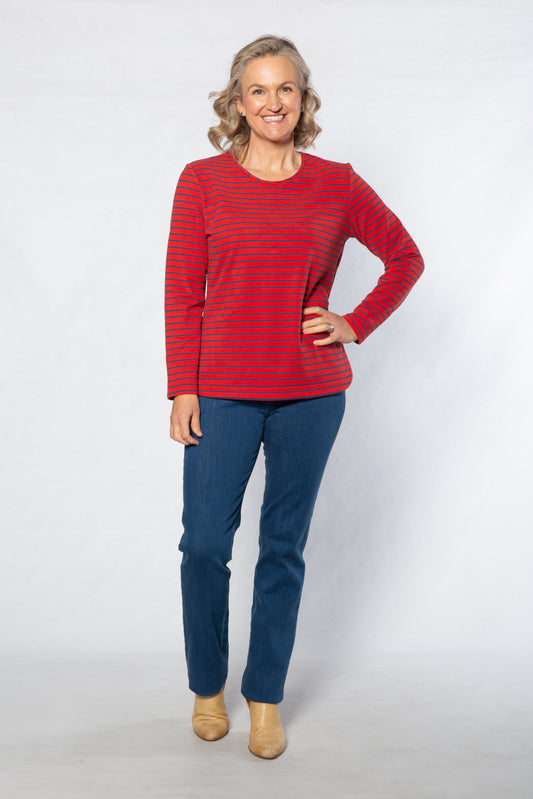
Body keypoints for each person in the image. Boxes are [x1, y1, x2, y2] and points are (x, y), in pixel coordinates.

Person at [164, 34, 424, 760]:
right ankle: (208, 684)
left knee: (282, 547)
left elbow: (405, 258)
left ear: (303, 99)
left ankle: (265, 696)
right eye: (257, 90)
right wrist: (180, 387)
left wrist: (354, 322)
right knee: (205, 544)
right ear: (237, 102)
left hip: (310, 393)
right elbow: (183, 294)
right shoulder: (202, 182)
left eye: (285, 89)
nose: (271, 102)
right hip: (219, 391)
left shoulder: (336, 184)